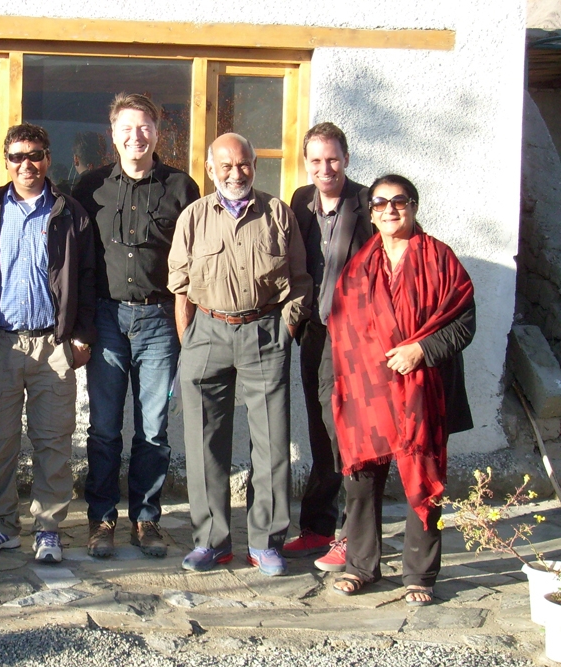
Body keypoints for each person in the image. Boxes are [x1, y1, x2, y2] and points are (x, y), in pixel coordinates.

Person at [167, 132, 311, 576]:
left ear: (254, 165)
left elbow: (300, 279)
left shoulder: (277, 213)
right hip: (206, 332)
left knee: (271, 444)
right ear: (210, 170)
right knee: (204, 441)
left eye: (243, 164)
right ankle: (212, 542)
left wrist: (286, 327)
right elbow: (180, 285)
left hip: (264, 331)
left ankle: (267, 542)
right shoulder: (193, 216)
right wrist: (189, 338)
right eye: (225, 166)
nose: (236, 173)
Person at [328, 174, 475, 606]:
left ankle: (420, 576)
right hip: (368, 390)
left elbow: (463, 320)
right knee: (362, 480)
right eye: (380, 203)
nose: (390, 209)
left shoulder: (440, 259)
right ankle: (361, 566)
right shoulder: (359, 265)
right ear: (370, 212)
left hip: (422, 389)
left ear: (413, 206)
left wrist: (421, 349)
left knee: (422, 477)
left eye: (400, 201)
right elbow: (342, 326)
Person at [73, 93, 200, 558]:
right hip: (107, 320)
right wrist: (79, 325)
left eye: (144, 126)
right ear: (113, 135)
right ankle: (101, 519)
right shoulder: (89, 187)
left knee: (153, 429)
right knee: (104, 428)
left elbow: (196, 259)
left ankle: (146, 520)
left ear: (157, 132)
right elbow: (76, 260)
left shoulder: (181, 188)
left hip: (160, 320)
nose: (136, 136)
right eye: (126, 128)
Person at [0, 123, 96, 563]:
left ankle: (48, 530)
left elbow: (86, 280)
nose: (27, 164)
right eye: (18, 156)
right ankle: (2, 525)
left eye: (36, 155)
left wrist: (81, 335)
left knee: (53, 443)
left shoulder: (70, 212)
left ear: (48, 158)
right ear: (5, 161)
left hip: (51, 345)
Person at [283, 123, 373, 569]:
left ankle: (351, 536)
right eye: (315, 160)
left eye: (332, 159)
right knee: (320, 431)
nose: (325, 168)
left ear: (347, 159)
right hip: (315, 335)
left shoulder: (371, 204)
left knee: (349, 436)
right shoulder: (301, 201)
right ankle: (317, 527)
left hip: (356, 340)